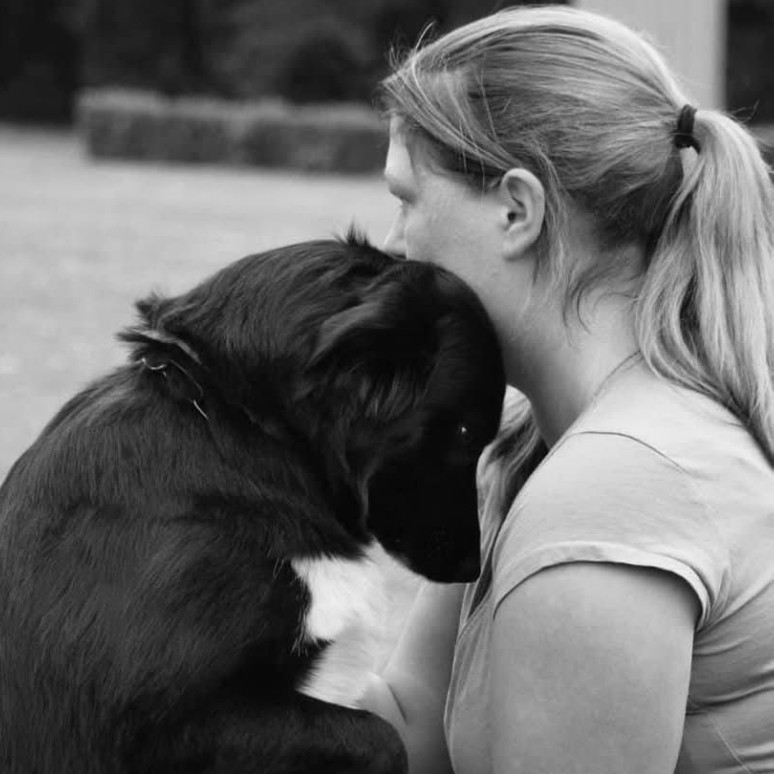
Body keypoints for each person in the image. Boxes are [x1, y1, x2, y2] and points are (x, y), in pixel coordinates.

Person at [360, 5, 774, 774]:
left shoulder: (618, 484)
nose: (393, 246)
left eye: (407, 200)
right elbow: (415, 723)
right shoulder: (532, 446)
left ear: (517, 211)